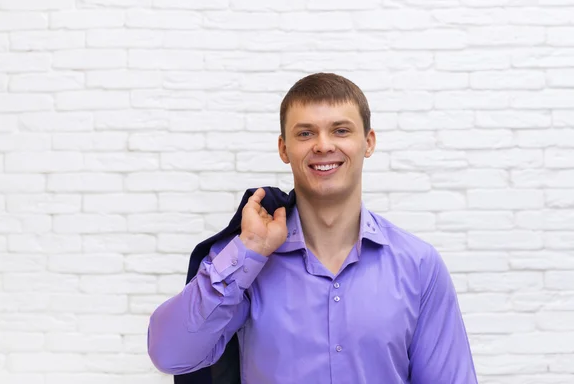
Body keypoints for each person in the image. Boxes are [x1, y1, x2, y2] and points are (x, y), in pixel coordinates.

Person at [147, 73, 478, 383]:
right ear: (283, 149)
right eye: (305, 133)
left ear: (369, 142)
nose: (323, 145)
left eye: (340, 130)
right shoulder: (244, 260)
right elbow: (170, 355)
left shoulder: (418, 265)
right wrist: (247, 251)